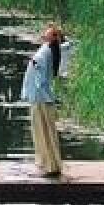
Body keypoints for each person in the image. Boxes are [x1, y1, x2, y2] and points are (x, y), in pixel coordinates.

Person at [21, 24, 65, 178]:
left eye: (49, 34)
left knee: (43, 132)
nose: (44, 35)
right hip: (40, 97)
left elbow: (41, 77)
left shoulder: (48, 51)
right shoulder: (49, 50)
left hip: (41, 98)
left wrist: (34, 64)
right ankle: (48, 164)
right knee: (43, 132)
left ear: (53, 38)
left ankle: (50, 167)